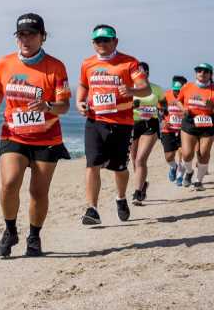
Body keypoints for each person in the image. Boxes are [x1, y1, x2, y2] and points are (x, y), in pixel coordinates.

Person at [0, 13, 71, 258]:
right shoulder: (4, 63)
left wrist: (48, 107)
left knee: (38, 192)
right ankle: (10, 231)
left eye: (32, 34)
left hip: (47, 138)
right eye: (21, 34)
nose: (26, 39)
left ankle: (34, 237)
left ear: (43, 37)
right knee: (10, 183)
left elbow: (64, 106)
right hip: (14, 134)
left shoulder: (55, 66)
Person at [76, 25, 151, 225]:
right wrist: (79, 102)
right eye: (98, 41)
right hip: (95, 121)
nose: (102, 44)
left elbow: (145, 89)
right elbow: (83, 85)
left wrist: (132, 90)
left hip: (121, 123)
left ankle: (121, 197)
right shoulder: (87, 64)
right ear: (93, 44)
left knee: (119, 168)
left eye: (106, 40)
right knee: (92, 164)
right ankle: (92, 209)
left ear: (115, 41)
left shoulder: (129, 62)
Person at [176, 63, 214, 190]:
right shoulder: (187, 87)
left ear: (210, 74)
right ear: (196, 73)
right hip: (190, 121)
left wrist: (213, 107)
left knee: (203, 153)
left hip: (208, 123)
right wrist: (183, 109)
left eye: (205, 71)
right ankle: (189, 172)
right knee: (186, 154)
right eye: (199, 70)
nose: (202, 73)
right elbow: (178, 101)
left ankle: (198, 181)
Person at [129, 62, 165, 204]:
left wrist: (158, 109)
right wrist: (132, 106)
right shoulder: (130, 89)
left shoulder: (156, 89)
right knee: (133, 161)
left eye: (143, 72)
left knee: (140, 159)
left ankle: (138, 193)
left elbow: (163, 105)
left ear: (148, 73)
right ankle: (143, 184)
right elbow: (122, 106)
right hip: (132, 125)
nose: (141, 75)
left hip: (150, 125)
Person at [161, 76, 188, 186]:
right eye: (175, 90)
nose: (177, 93)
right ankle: (173, 167)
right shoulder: (166, 95)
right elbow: (160, 110)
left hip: (183, 130)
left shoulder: (187, 97)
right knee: (169, 156)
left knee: (183, 153)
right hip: (168, 130)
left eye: (179, 91)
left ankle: (180, 175)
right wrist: (162, 120)